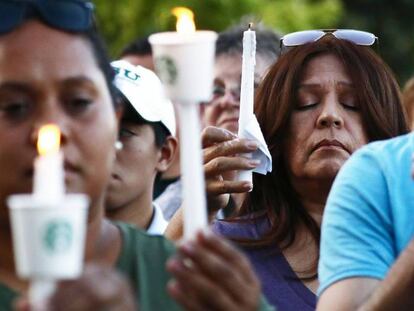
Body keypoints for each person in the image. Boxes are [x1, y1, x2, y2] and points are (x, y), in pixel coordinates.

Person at [0, 1, 273, 310]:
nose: (51, 130)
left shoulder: (195, 283)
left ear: (114, 121)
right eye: (14, 107)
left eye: (78, 102)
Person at [198, 30, 409, 310]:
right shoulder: (224, 253)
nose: (330, 116)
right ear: (276, 129)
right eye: (306, 103)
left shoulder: (406, 235)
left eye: (352, 104)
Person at [105, 60, 177, 234]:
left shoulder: (187, 257)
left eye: (124, 132)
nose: (105, 146)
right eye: (94, 129)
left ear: (164, 154)